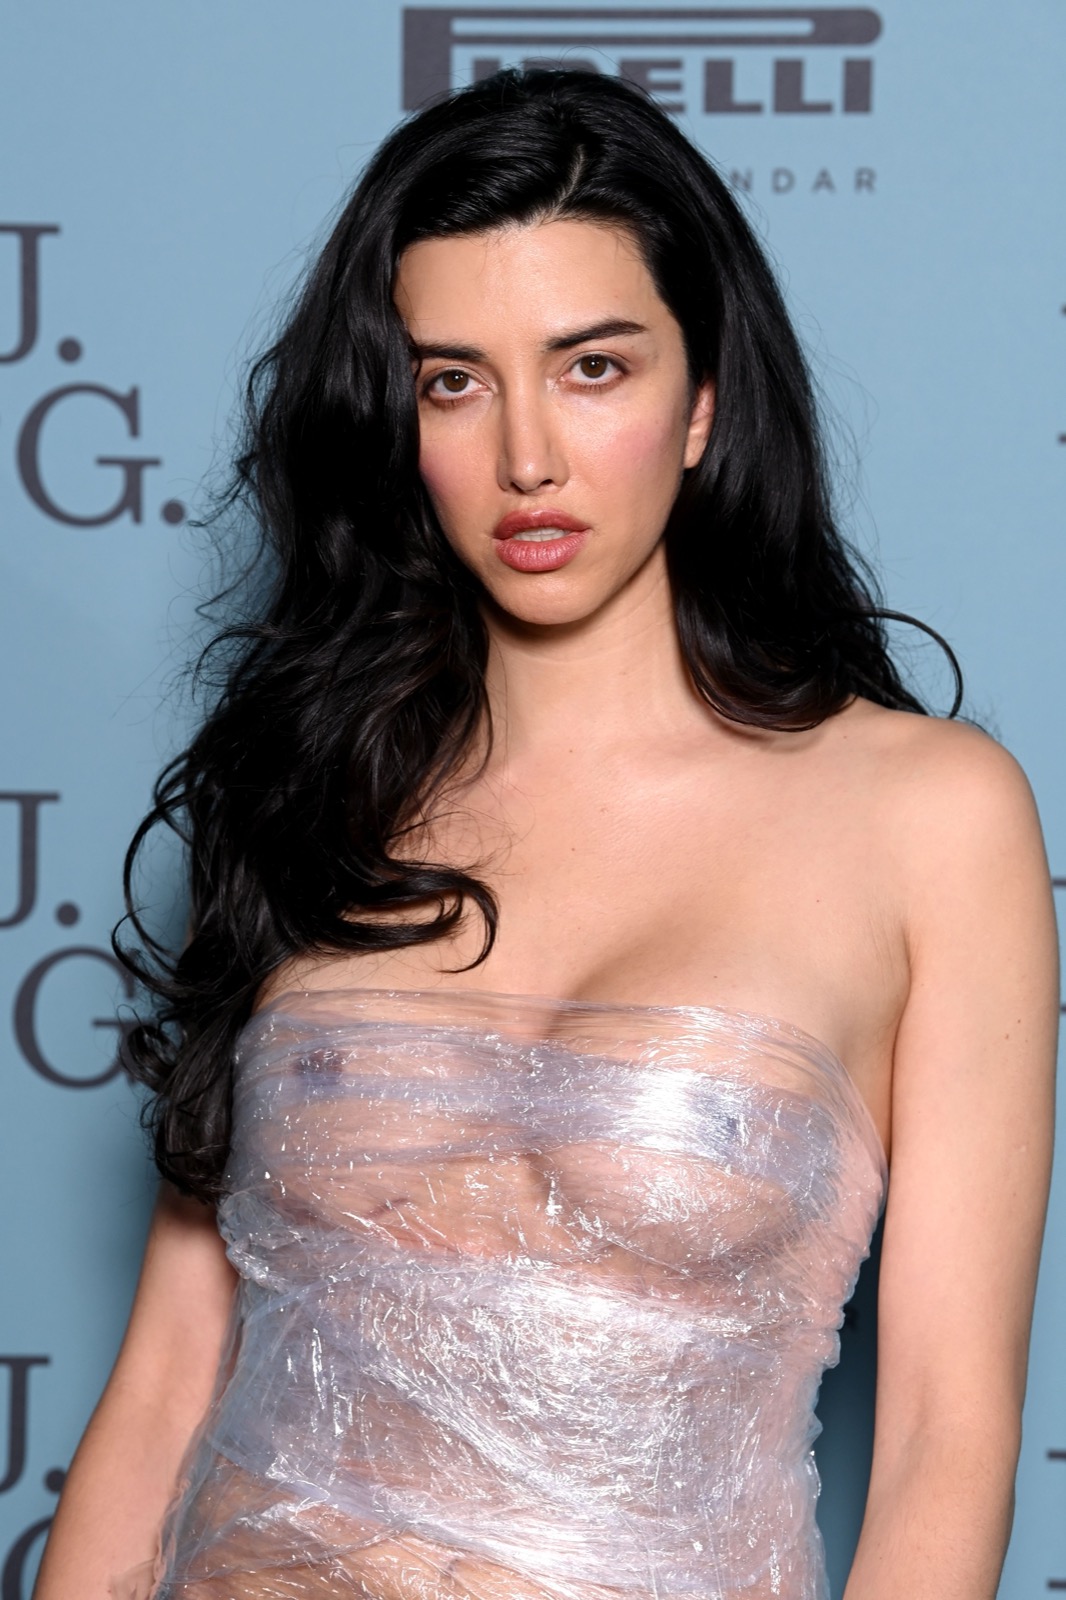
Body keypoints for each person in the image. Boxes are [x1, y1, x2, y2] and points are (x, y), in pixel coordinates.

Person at [33, 68, 1056, 1600]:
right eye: (453, 382)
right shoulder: (305, 786)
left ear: (702, 400)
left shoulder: (926, 815)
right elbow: (170, 1376)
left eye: (591, 368)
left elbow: (939, 1440)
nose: (526, 457)